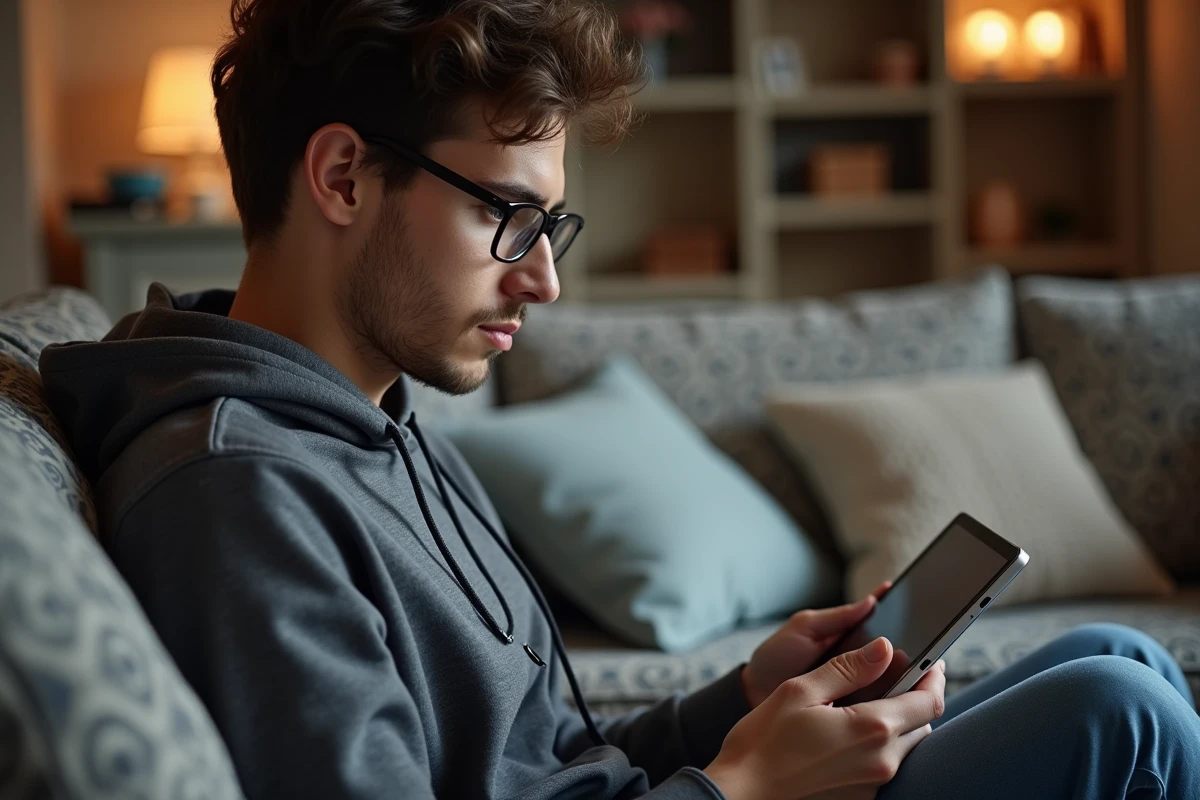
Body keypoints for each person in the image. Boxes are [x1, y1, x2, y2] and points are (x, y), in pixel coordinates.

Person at [40, 1, 1200, 798]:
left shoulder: (379, 416)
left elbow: (555, 761)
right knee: (1123, 710)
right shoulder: (239, 494)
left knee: (1124, 659)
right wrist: (743, 785)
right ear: (343, 176)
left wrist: (744, 696)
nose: (543, 277)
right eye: (511, 215)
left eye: (553, 227)